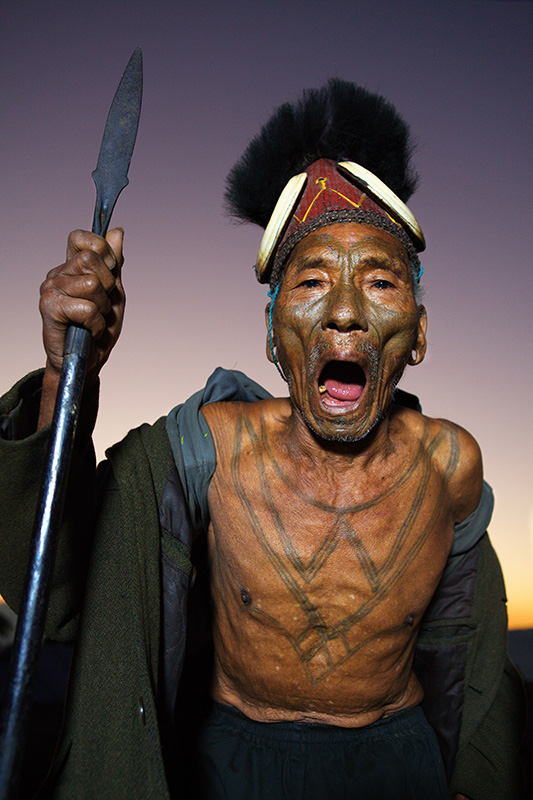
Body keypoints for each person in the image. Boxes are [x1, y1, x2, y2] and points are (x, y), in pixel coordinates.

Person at [0, 80, 524, 799]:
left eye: (379, 282)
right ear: (273, 337)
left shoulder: (450, 466)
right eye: (310, 281)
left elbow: (472, 652)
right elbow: (57, 581)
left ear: (419, 335)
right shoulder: (205, 454)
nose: (343, 311)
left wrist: (475, 777)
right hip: (234, 762)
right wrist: (67, 374)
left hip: (396, 762)